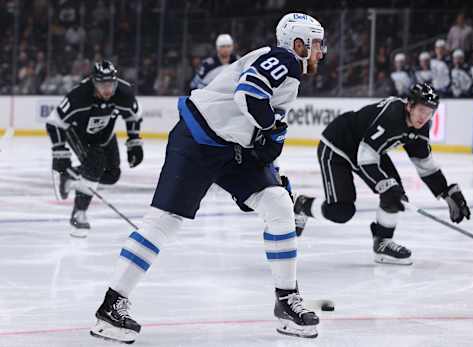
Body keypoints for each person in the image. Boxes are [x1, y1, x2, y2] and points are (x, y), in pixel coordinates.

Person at [90, 13, 327, 343]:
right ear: (298, 44)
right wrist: (272, 128)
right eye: (317, 44)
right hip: (199, 140)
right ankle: (111, 306)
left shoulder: (286, 69)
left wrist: (268, 169)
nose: (322, 51)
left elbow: (257, 129)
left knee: (278, 204)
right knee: (164, 221)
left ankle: (286, 300)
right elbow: (249, 96)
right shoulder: (284, 59)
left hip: (231, 147)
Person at [294, 83, 470, 265]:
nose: (424, 117)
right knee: (341, 211)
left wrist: (446, 191)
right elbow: (365, 156)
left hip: (368, 149)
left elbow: (424, 163)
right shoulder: (392, 115)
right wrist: (385, 185)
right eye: (421, 110)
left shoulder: (422, 127)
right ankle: (302, 205)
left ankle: (382, 243)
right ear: (409, 105)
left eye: (429, 112)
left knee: (396, 191)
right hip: (338, 146)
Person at [45, 60, 143, 238]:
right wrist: (60, 153)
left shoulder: (124, 92)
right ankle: (79, 213)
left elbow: (134, 116)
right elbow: (54, 122)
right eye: (102, 84)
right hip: (78, 133)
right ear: (93, 82)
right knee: (95, 164)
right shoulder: (79, 95)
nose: (107, 89)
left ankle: (69, 178)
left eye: (111, 84)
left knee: (112, 175)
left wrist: (134, 142)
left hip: (105, 136)